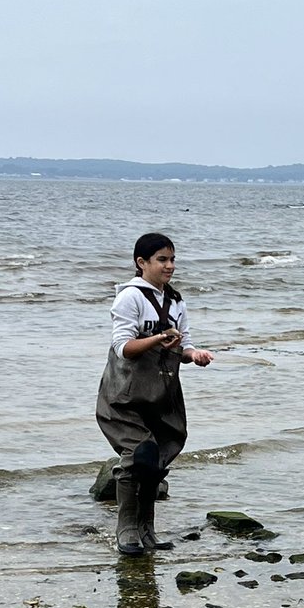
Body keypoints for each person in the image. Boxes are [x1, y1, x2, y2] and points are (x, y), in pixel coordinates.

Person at [96, 233, 213, 556]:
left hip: (163, 395)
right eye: (162, 259)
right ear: (141, 263)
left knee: (157, 460)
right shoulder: (129, 298)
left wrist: (194, 354)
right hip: (125, 396)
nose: (170, 266)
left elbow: (184, 345)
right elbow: (124, 348)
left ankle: (147, 530)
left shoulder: (176, 301)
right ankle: (127, 530)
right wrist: (158, 338)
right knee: (139, 455)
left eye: (172, 259)